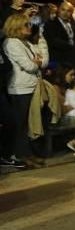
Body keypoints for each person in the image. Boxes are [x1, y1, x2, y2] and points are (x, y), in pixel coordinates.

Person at [3, 12, 47, 168]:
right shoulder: (12, 43)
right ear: (16, 26)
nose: (30, 27)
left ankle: (27, 153)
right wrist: (35, 62)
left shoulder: (26, 43)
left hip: (32, 86)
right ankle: (20, 155)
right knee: (20, 124)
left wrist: (36, 59)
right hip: (20, 88)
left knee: (29, 124)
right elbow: (29, 66)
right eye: (26, 24)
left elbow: (43, 61)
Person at [44, 1, 75, 67]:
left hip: (74, 57)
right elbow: (53, 41)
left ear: (71, 12)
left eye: (68, 11)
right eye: (63, 9)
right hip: (59, 59)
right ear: (58, 10)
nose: (65, 13)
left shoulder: (74, 24)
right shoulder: (51, 24)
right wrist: (72, 47)